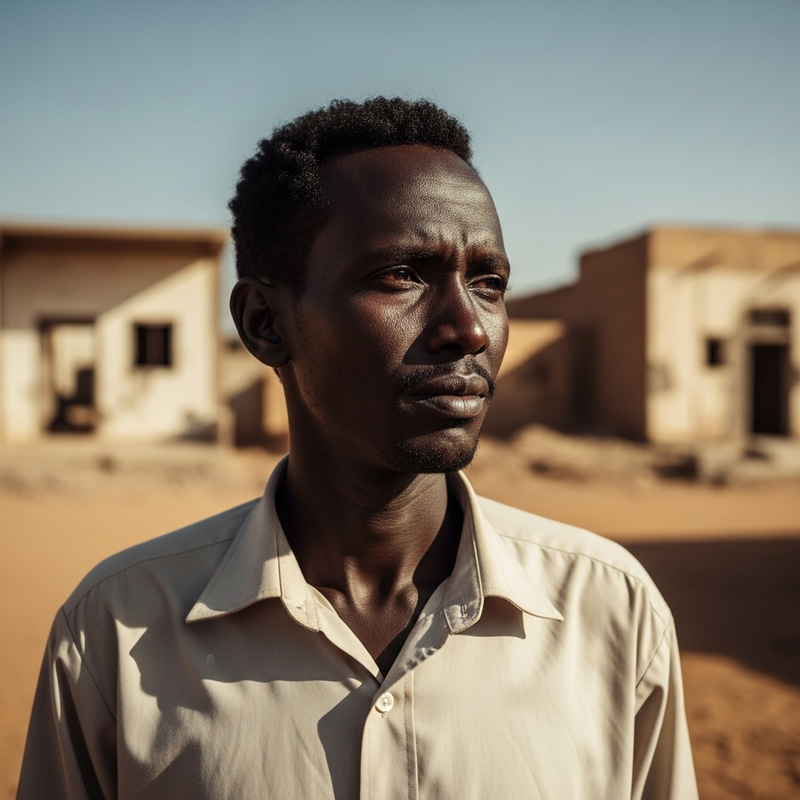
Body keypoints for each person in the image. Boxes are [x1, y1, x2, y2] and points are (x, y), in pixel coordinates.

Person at [18, 97, 698, 799]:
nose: (467, 328)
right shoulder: (117, 629)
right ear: (265, 323)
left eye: (488, 283)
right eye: (400, 276)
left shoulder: (609, 610)